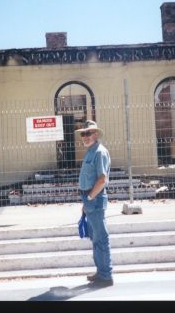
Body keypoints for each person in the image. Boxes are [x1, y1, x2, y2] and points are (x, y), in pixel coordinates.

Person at [75, 120, 113, 287]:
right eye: (83, 134)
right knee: (95, 238)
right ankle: (101, 272)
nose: (85, 136)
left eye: (88, 133)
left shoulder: (99, 152)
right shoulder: (91, 151)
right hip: (90, 200)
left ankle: (106, 275)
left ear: (96, 134)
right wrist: (86, 202)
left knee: (101, 238)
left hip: (95, 200)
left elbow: (102, 179)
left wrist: (90, 198)